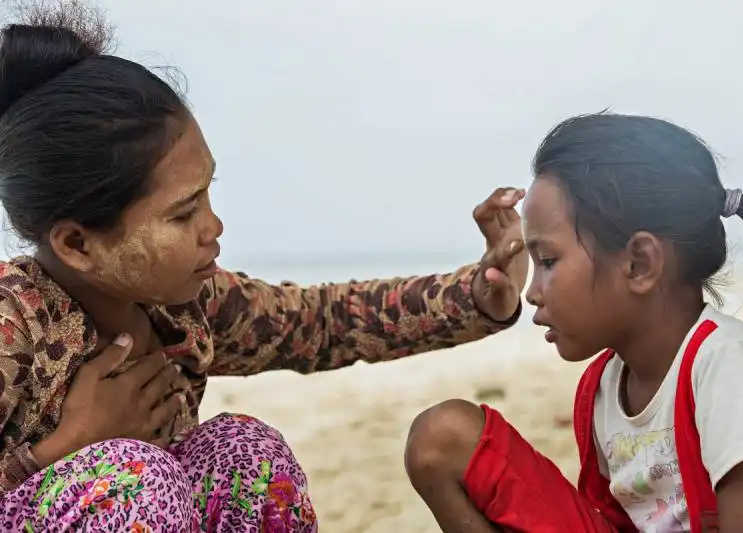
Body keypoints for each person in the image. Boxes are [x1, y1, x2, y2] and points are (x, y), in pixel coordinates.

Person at [0, 4, 529, 533]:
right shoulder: (12, 324)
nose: (215, 227)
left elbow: (321, 324)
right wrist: (61, 452)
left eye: (207, 194)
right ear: (77, 243)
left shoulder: (184, 304)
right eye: (184, 213)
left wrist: (478, 295)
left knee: (245, 454)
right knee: (134, 481)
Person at [404, 112, 743, 532]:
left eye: (549, 261)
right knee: (441, 437)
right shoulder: (602, 387)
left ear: (639, 263)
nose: (532, 292)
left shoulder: (722, 364)